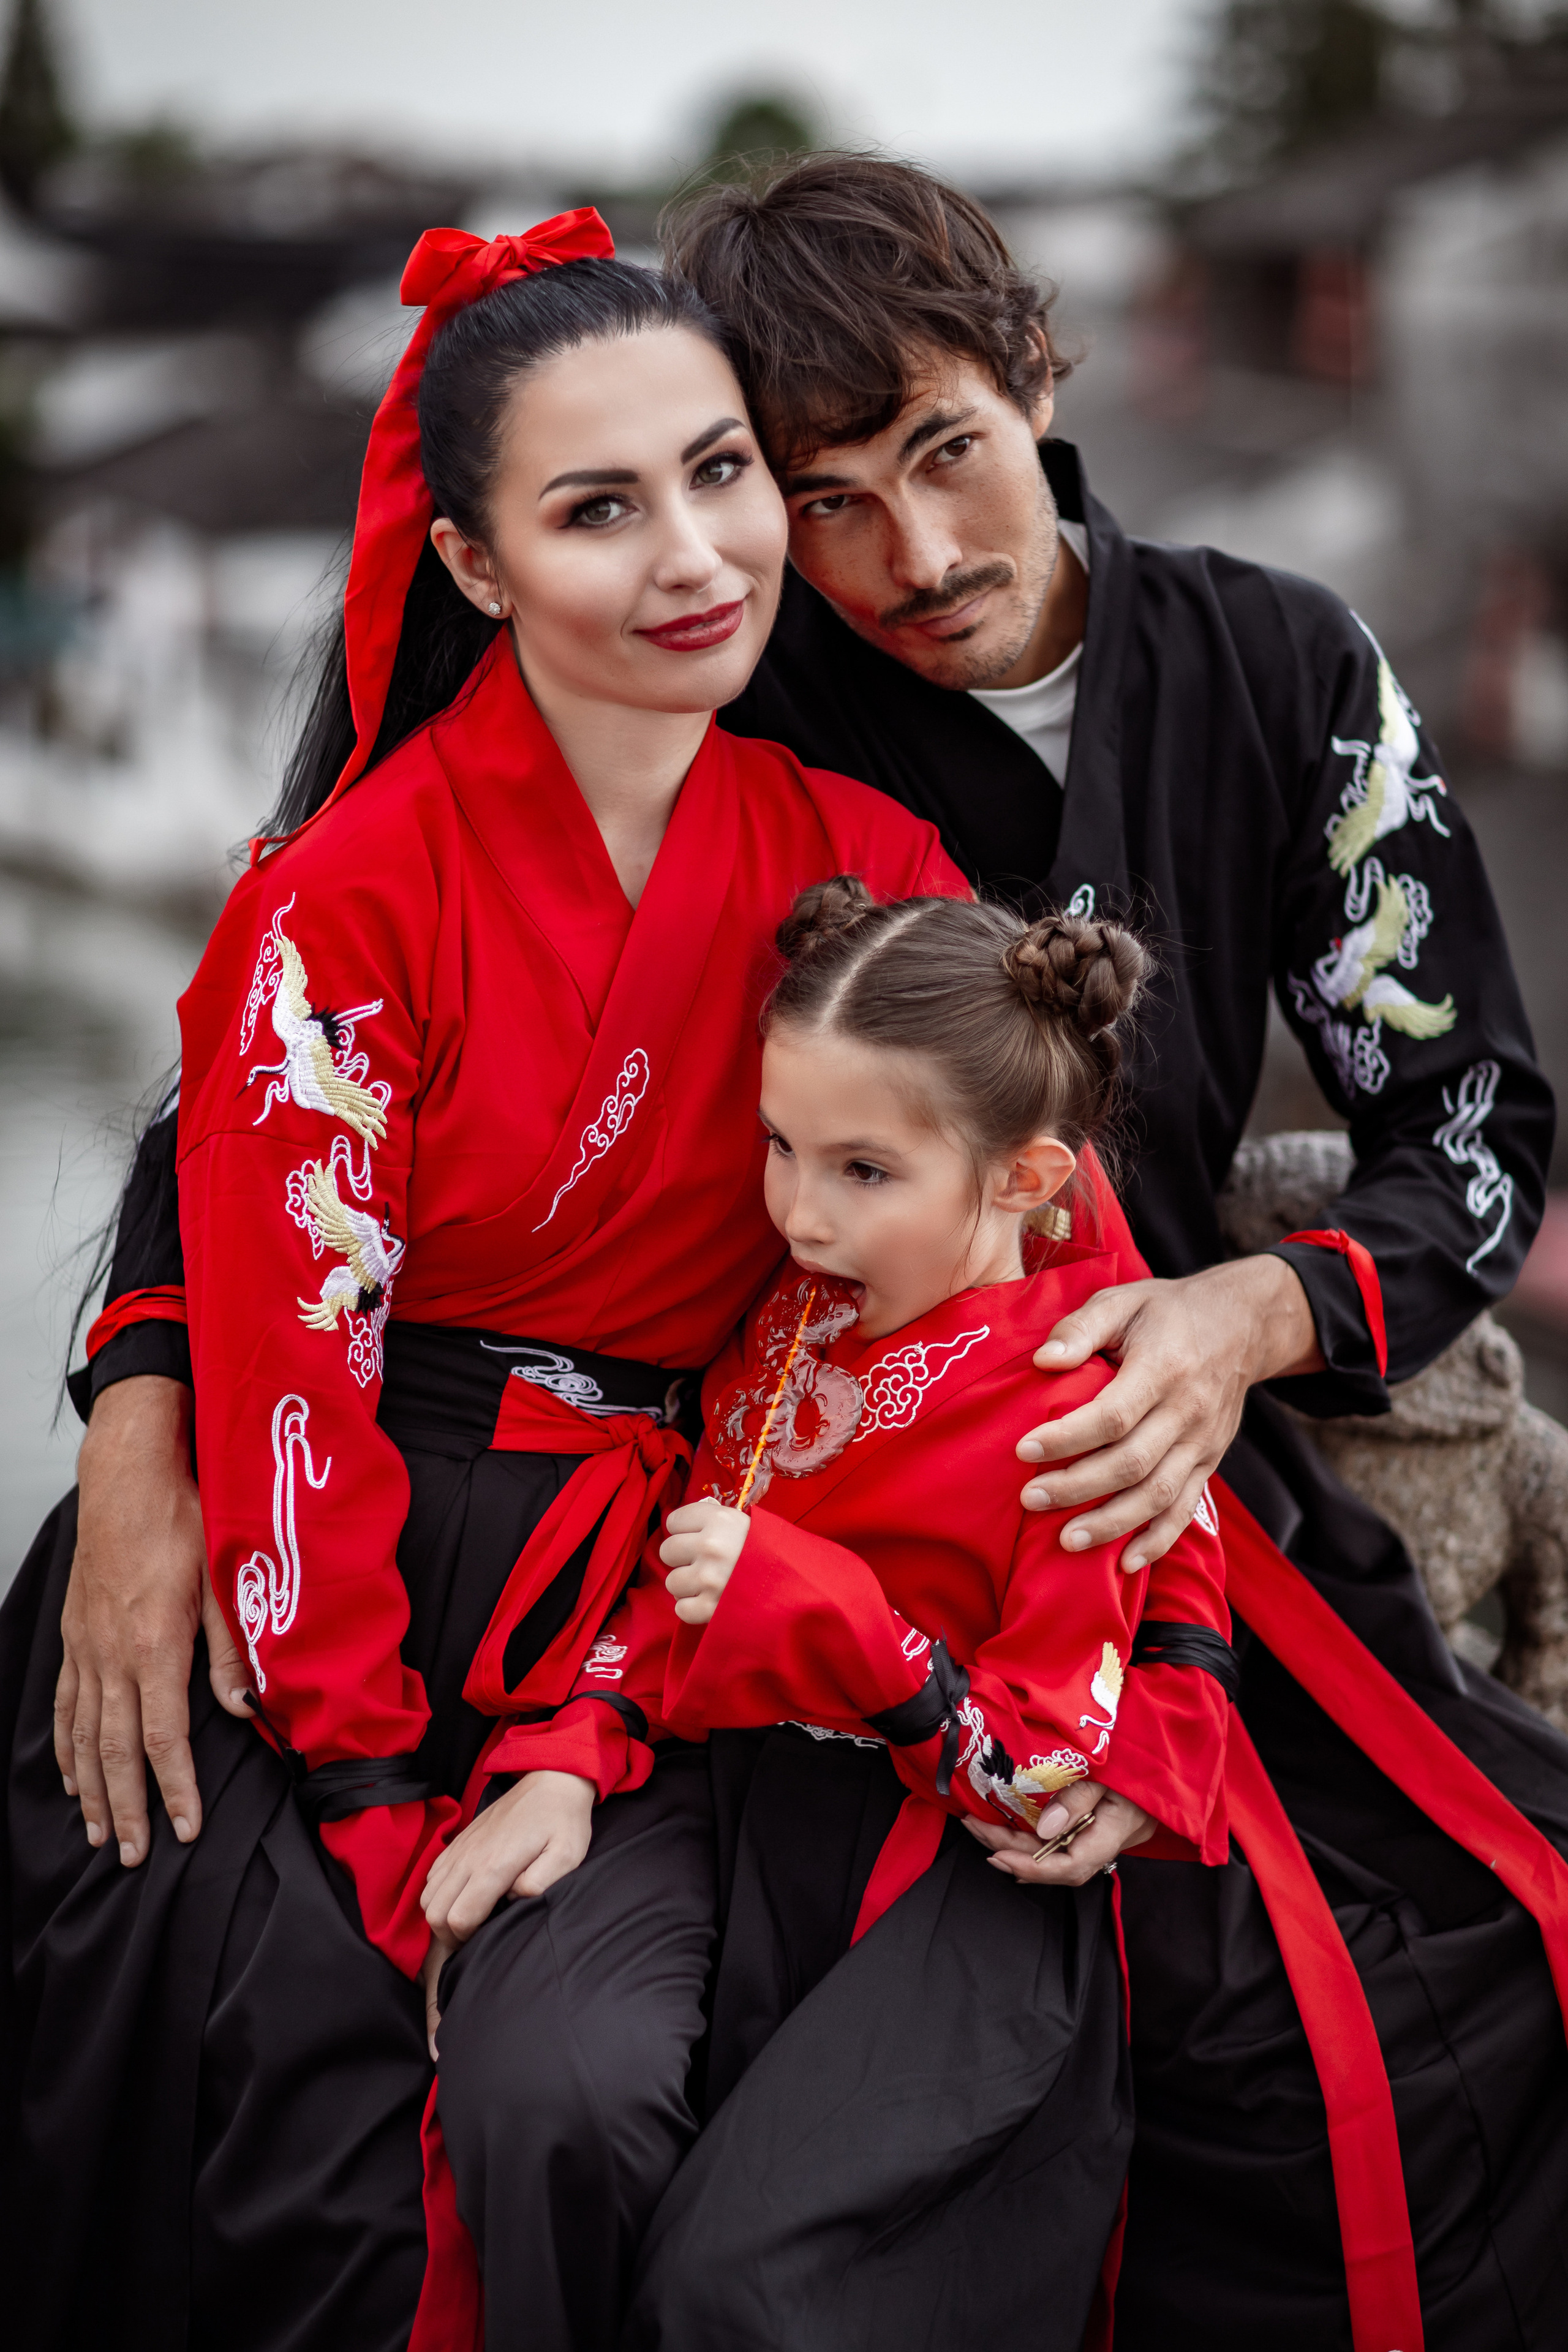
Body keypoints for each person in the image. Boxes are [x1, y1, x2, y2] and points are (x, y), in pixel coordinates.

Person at [26, 156, 1568, 2341]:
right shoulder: (727, 671)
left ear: (1040, 371)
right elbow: (272, 1112)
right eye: (822, 493)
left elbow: (1479, 1126)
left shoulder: (1281, 665)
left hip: (1097, 1426)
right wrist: (138, 1407)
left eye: (944, 451)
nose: (908, 557)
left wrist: (1247, 1317)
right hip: (706, 1485)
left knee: (1395, 1989)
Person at [421, 883, 1231, 2351]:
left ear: (1024, 1176)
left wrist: (835, 1620)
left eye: (863, 1169)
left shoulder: (1086, 1419)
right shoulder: (793, 1316)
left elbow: (1043, 1777)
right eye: (779, 1146)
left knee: (741, 2295)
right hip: (716, 1791)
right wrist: (570, 1750)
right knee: (541, 2089)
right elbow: (681, 1575)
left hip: (953, 1891)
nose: (798, 1211)